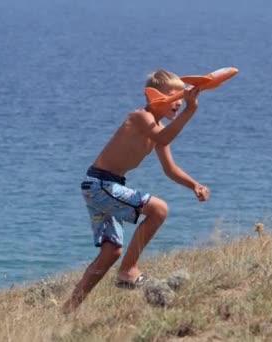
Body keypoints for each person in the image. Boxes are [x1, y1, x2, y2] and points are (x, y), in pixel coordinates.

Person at [62, 70, 209, 313]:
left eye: (182, 98)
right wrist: (191, 111)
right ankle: (128, 270)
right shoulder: (141, 118)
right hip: (101, 184)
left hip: (103, 185)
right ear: (154, 98)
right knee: (159, 210)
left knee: (111, 252)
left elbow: (170, 169)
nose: (180, 102)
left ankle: (69, 308)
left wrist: (194, 185)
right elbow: (163, 137)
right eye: (175, 97)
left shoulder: (158, 129)